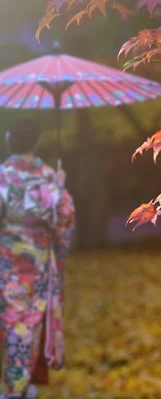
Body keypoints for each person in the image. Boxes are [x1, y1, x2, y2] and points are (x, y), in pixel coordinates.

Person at [0, 119, 75, 398]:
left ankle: (15, 387)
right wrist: (60, 186)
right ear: (36, 143)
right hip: (39, 259)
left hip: (7, 258)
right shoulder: (47, 177)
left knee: (13, 318)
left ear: (9, 140)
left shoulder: (3, 175)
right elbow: (64, 219)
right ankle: (21, 385)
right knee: (29, 318)